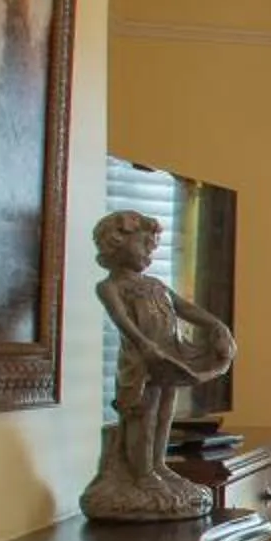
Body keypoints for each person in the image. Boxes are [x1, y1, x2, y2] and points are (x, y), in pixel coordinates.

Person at [81, 208, 236, 520]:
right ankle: (141, 472)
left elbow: (186, 309)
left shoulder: (156, 286)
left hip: (170, 356)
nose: (149, 253)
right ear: (116, 245)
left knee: (165, 412)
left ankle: (158, 464)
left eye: (152, 248)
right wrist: (144, 344)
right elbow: (121, 320)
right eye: (144, 245)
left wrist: (217, 325)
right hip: (141, 363)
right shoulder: (110, 287)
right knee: (143, 415)